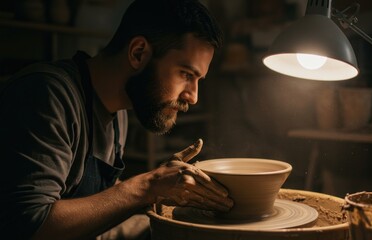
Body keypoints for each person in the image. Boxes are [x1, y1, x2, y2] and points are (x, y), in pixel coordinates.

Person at [0, 0, 233, 239]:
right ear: (138, 52)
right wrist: (148, 186)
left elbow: (99, 207)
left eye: (198, 80)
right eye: (186, 74)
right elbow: (29, 225)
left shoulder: (117, 110)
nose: (193, 96)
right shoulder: (46, 95)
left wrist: (167, 197)